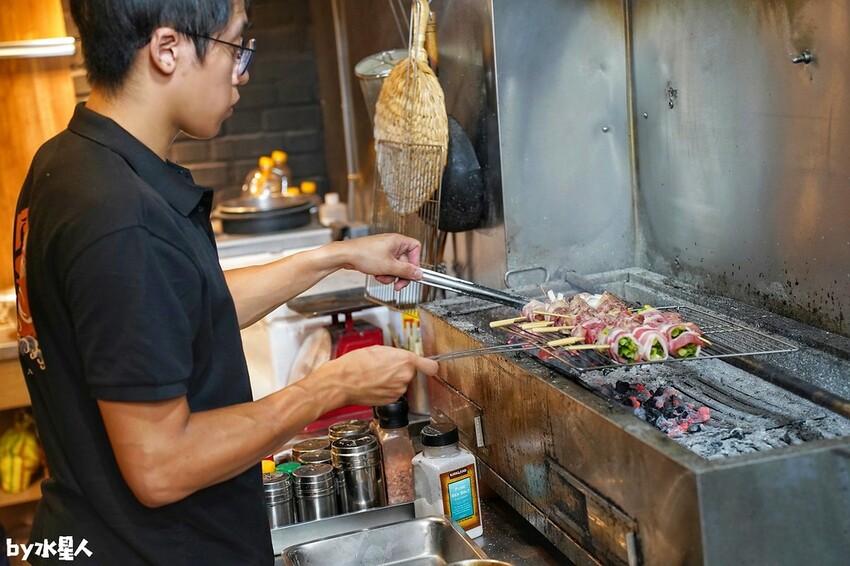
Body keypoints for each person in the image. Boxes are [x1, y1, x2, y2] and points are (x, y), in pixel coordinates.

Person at [11, 0, 439, 564]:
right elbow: (162, 465)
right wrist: (333, 386)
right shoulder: (119, 215)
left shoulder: (67, 164)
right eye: (237, 48)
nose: (242, 75)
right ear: (168, 49)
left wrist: (334, 258)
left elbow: (170, 315)